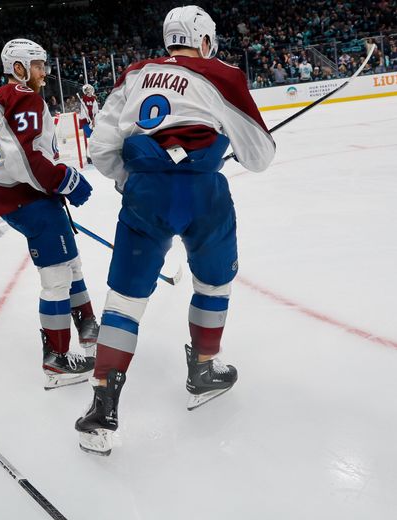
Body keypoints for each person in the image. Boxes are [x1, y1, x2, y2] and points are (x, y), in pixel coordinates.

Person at [74, 5, 275, 456]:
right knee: (214, 282)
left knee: (125, 300)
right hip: (205, 196)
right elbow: (260, 155)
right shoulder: (223, 75)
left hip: (146, 193)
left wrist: (134, 181)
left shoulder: (134, 75)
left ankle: (101, 407)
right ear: (204, 40)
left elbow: (103, 148)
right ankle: (203, 368)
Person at [0, 38, 100, 390]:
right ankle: (57, 360)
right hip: (25, 195)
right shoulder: (23, 96)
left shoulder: (8, 96)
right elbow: (26, 158)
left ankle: (87, 324)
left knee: (70, 261)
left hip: (27, 193)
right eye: (37, 65)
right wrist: (65, 180)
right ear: (18, 67)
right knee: (57, 276)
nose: (43, 71)